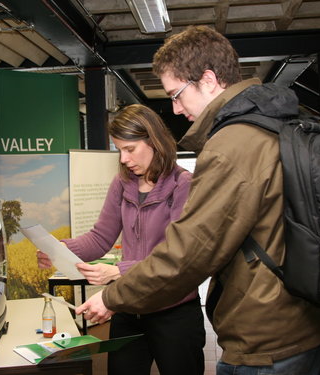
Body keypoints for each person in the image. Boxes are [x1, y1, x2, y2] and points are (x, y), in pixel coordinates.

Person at [76, 26, 320, 374]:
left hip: (269, 341)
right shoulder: (288, 118)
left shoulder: (231, 145)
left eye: (177, 94)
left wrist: (112, 295)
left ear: (208, 79)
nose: (175, 109)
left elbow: (187, 254)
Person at [38, 104, 206, 375]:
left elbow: (177, 255)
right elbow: (100, 237)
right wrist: (61, 249)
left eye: (130, 149)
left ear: (154, 141)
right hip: (128, 308)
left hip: (173, 313)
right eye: (119, 150)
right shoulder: (122, 183)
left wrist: (118, 271)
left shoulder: (183, 184)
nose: (124, 159)